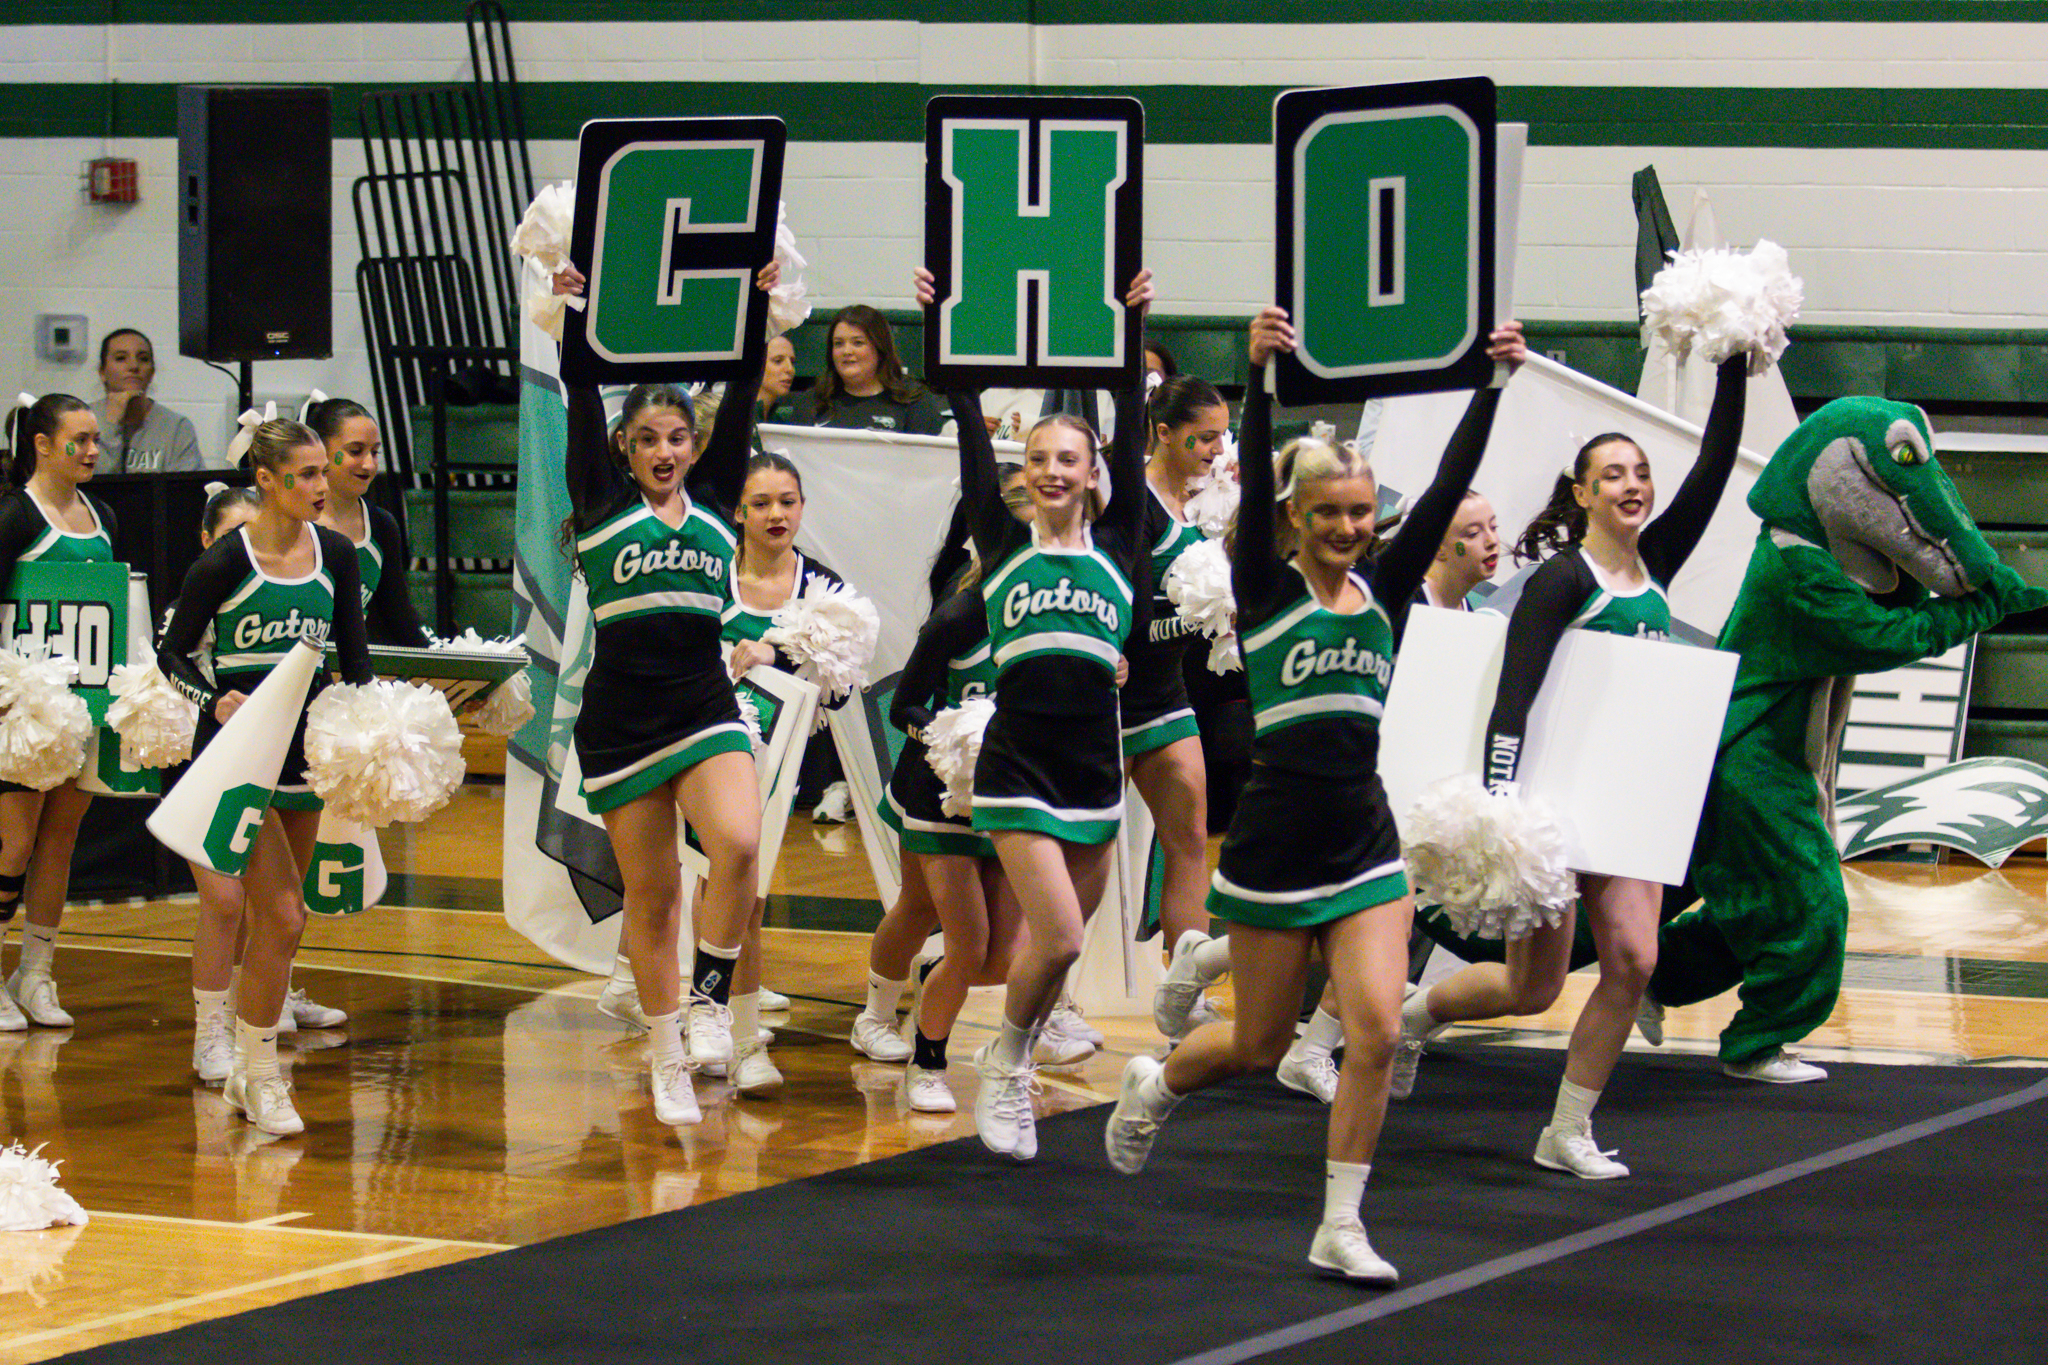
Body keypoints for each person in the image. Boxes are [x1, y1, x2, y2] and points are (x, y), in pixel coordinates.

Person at [1103, 308, 1525, 1284]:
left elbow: (1451, 487)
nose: (1346, 527)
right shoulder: (1262, 585)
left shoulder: (1385, 589)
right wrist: (1259, 379)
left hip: (1364, 843)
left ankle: (1339, 1221)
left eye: (1359, 513)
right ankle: (1155, 1081)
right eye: (1327, 512)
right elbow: (1250, 493)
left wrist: (1489, 388)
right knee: (1255, 1044)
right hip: (1273, 846)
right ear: (1295, 517)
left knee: (1374, 1027)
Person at [1389, 357, 1748, 1181]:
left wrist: (1732, 357)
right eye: (1611, 473)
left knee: (1633, 959)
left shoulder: (1655, 560)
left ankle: (1567, 1126)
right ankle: (1418, 1013)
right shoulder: (1560, 580)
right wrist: (1504, 807)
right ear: (1581, 493)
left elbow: (1717, 463)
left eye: (1641, 472)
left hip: (1624, 807)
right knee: (1532, 987)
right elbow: (1513, 697)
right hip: (1552, 807)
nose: (1633, 484)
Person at [917, 263, 1154, 1161]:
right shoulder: (1002, 543)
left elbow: (1132, 431)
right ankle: (1008, 1067)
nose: (1053, 471)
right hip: (1017, 766)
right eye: (1040, 459)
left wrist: (1135, 328)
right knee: (1051, 933)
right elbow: (972, 436)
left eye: (1070, 460)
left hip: (1097, 769)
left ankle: (1007, 1049)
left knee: (1061, 952)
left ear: (1092, 476)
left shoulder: (1121, 546)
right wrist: (941, 324)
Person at [551, 261, 777, 1129]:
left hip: (702, 701)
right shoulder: (600, 501)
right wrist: (577, 304)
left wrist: (754, 302)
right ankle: (666, 1053)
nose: (664, 451)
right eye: (647, 438)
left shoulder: (719, 498)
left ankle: (712, 1000)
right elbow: (580, 383)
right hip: (621, 719)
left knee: (741, 844)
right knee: (652, 898)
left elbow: (746, 386)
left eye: (676, 436)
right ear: (625, 447)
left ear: (694, 442)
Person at [158, 418, 375, 1134]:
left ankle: (250, 1074)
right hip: (236, 759)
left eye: (323, 472)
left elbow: (356, 659)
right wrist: (213, 698)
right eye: (306, 475)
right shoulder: (225, 562)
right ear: (268, 482)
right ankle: (259, 1074)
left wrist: (364, 734)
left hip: (304, 757)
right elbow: (173, 655)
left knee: (280, 929)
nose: (321, 485)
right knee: (282, 911)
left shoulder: (337, 555)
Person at [1262, 486, 1506, 1103]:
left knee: (1385, 927)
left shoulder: (1481, 623)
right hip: (1367, 789)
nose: (1491, 542)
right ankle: (1305, 1043)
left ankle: (1305, 1036)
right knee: (1351, 923)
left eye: (1493, 528)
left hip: (1431, 792)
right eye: (1474, 531)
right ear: (1440, 546)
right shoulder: (1398, 607)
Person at [0, 394, 120, 1031]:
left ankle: (36, 972)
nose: (92, 450)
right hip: (20, 711)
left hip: (82, 709)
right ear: (42, 445)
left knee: (58, 840)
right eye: (78, 439)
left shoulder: (103, 517)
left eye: (96, 438)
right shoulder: (15, 518)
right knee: (13, 842)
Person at [1127, 377, 1233, 1043]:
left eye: (1224, 435)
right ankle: (1050, 1000)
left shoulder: (1198, 504)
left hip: (1166, 692)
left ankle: (1182, 987)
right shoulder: (1130, 502)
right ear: (1164, 432)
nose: (1216, 449)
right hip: (1108, 697)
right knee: (1087, 859)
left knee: (1189, 836)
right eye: (1205, 436)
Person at [307, 397, 432, 649]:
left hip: (354, 671)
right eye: (355, 451)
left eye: (375, 452)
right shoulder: (294, 522)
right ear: (320, 451)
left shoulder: (382, 525)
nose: (370, 464)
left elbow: (398, 615)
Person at [788, 305, 947, 436]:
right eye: (838, 343)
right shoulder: (812, 401)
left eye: (857, 343)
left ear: (880, 348)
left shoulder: (914, 401)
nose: (846, 351)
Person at [93, 328, 205, 473]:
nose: (134, 366)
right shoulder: (80, 420)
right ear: (102, 372)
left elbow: (187, 489)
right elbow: (86, 484)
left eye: (143, 359)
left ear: (152, 372)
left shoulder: (177, 428)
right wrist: (111, 425)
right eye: (121, 358)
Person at [757, 334, 798, 433]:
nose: (790, 369)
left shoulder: (781, 424)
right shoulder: (733, 418)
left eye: (792, 362)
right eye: (778, 361)